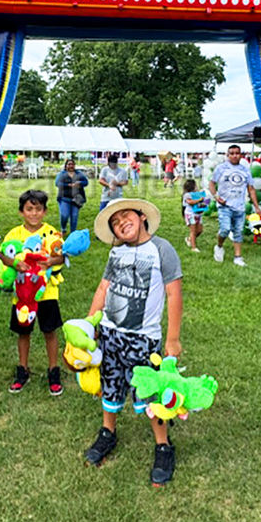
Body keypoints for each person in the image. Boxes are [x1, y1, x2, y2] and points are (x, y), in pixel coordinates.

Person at [84, 198, 183, 486]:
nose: (121, 223)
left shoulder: (162, 249)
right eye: (115, 222)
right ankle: (108, 432)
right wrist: (89, 324)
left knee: (151, 393)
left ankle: (163, 445)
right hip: (110, 335)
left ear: (141, 216)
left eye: (126, 216)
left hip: (143, 340)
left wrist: (173, 338)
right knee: (110, 385)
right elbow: (104, 287)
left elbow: (174, 294)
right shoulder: (116, 252)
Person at [3, 189, 66, 395]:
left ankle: (53, 370)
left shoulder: (51, 232)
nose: (33, 213)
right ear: (21, 212)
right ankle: (22, 370)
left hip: (46, 293)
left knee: (50, 331)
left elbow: (62, 256)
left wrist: (50, 261)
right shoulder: (14, 234)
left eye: (38, 209)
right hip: (22, 296)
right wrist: (15, 263)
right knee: (23, 332)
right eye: (29, 209)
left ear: (45, 211)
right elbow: (2, 255)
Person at [209, 144, 261, 268]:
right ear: (227, 155)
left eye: (237, 153)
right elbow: (211, 183)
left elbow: (251, 189)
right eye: (231, 153)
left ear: (241, 155)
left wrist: (256, 206)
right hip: (224, 205)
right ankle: (219, 246)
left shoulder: (245, 170)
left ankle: (238, 257)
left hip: (239, 206)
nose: (234, 156)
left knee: (238, 232)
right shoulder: (221, 168)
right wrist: (216, 197)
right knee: (225, 229)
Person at [55, 158, 88, 235]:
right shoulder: (62, 174)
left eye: (72, 164)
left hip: (76, 199)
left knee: (74, 216)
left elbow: (86, 182)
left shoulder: (79, 174)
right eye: (69, 164)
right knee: (64, 215)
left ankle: (73, 233)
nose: (71, 166)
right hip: (64, 198)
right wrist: (68, 185)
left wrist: (80, 183)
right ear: (66, 165)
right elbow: (57, 183)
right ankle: (63, 228)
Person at [181, 178, 208, 252]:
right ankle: (194, 247)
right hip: (190, 215)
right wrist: (199, 200)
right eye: (196, 185)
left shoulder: (197, 194)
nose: (197, 187)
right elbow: (190, 202)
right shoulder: (187, 195)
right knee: (193, 231)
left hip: (198, 214)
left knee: (199, 230)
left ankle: (189, 239)